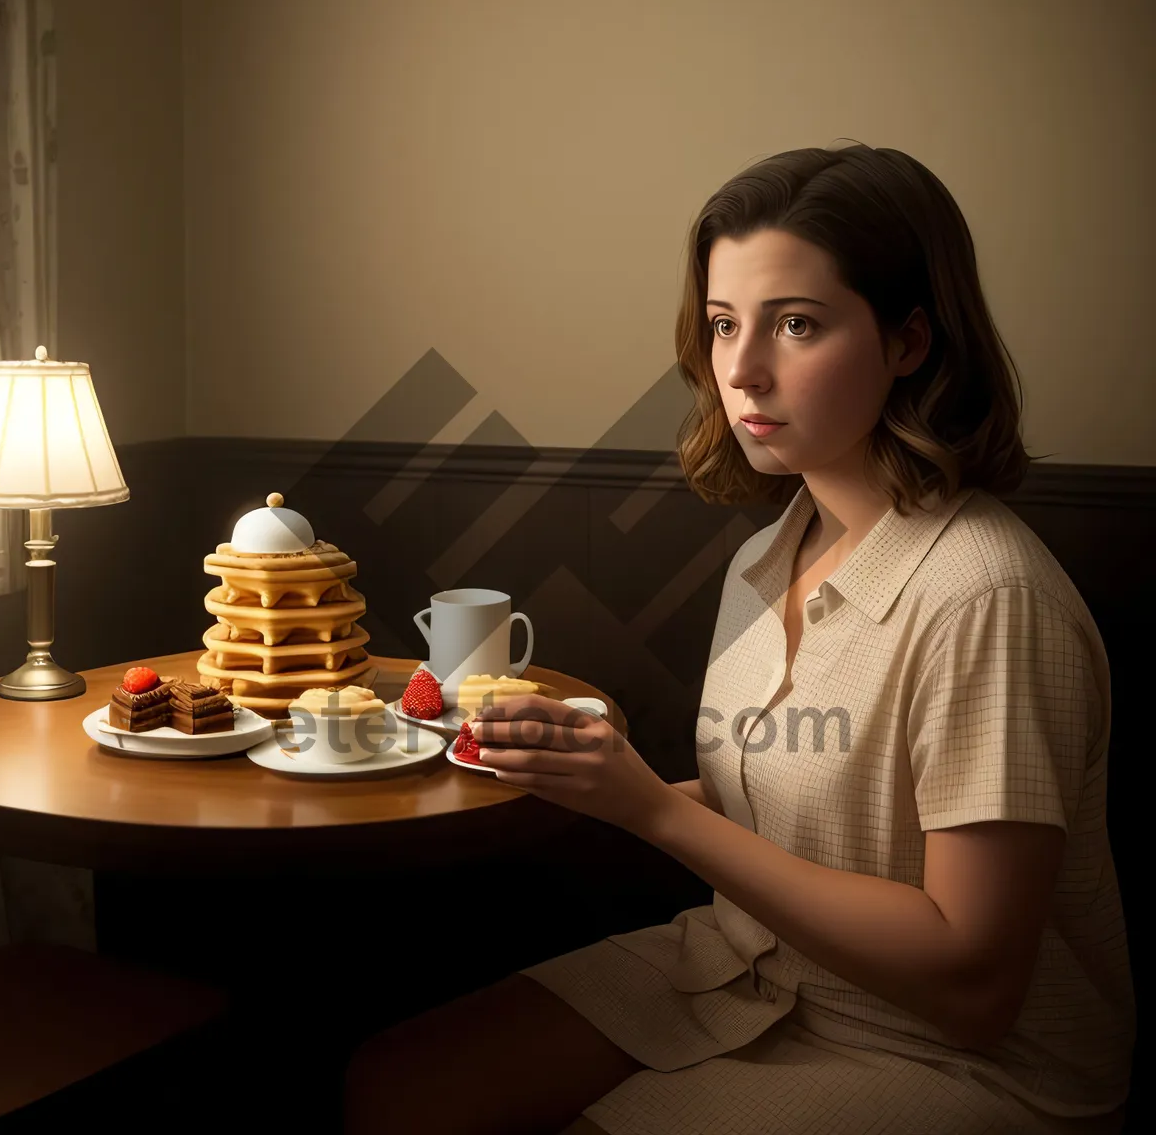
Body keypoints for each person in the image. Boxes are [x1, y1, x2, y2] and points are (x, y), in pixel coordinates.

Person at [343, 143, 1135, 1134]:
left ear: (911, 341)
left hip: (955, 1054)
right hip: (746, 968)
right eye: (724, 326)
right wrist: (586, 780)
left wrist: (649, 811)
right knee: (394, 1086)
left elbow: (972, 982)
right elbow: (765, 801)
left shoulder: (985, 595)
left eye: (798, 324)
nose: (743, 370)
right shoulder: (769, 553)